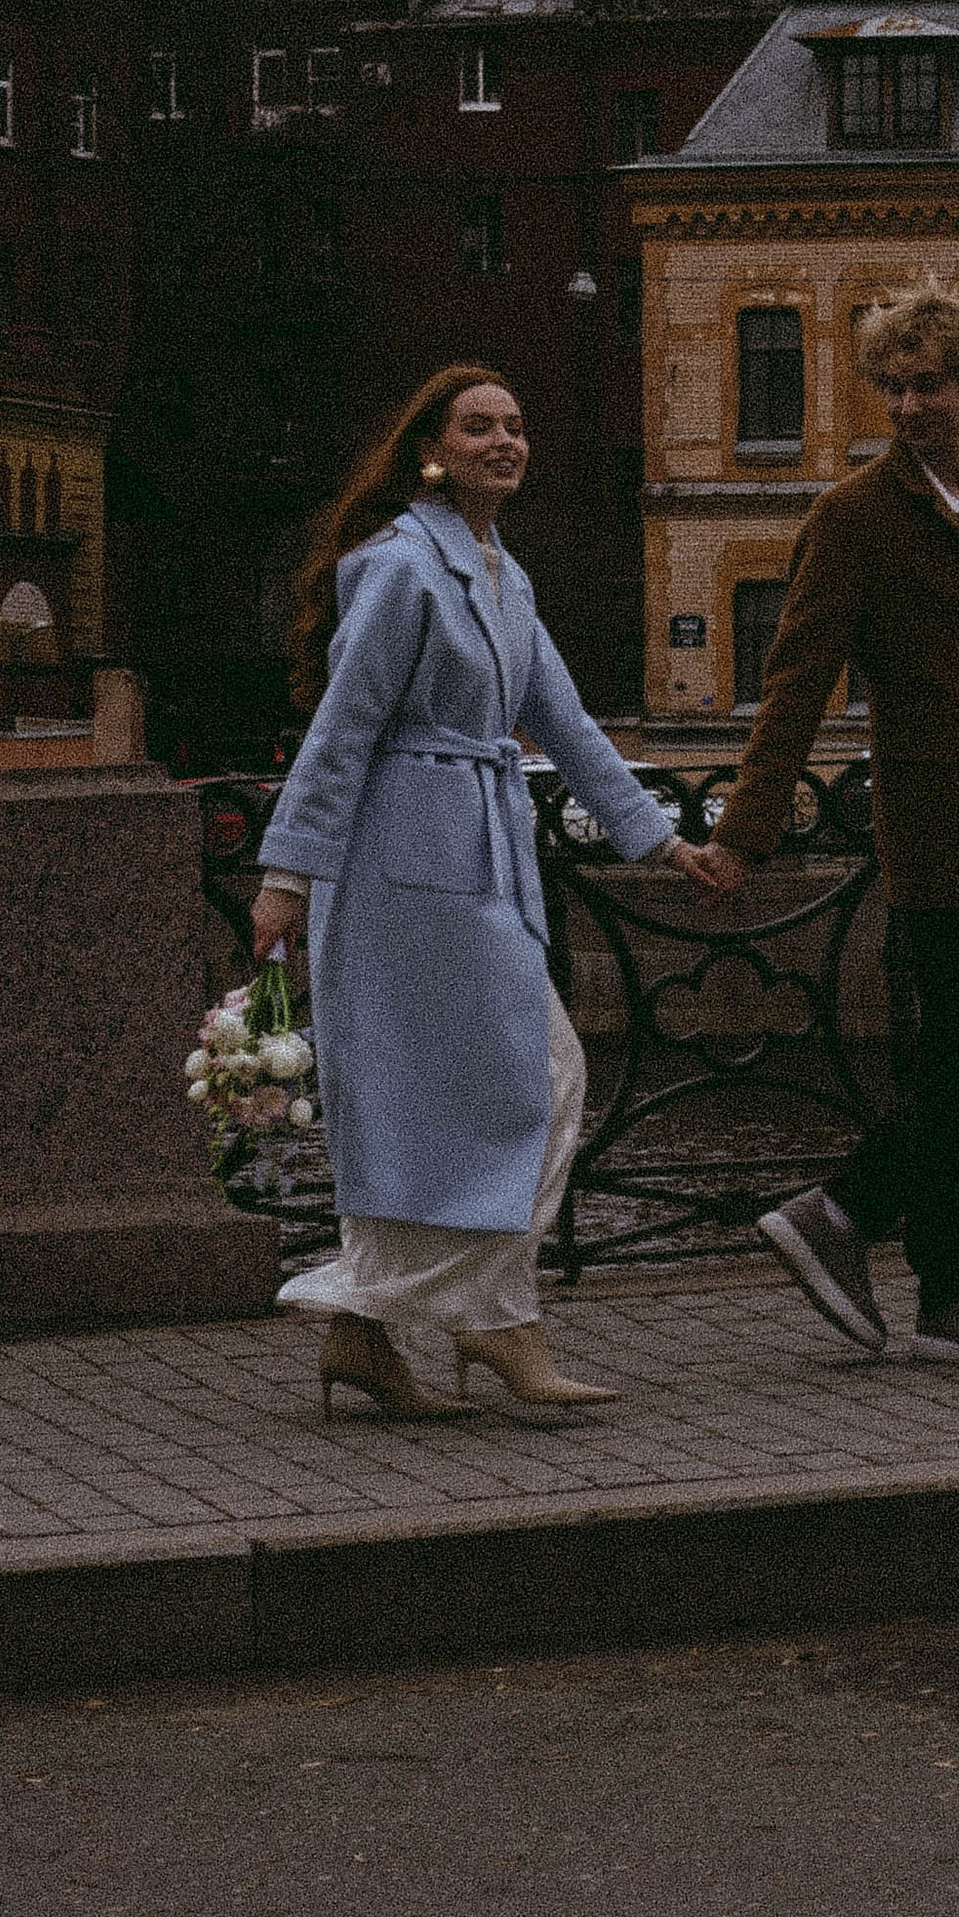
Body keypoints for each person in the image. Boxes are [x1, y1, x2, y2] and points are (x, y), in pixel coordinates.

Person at [250, 367, 722, 1419]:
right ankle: (492, 1323)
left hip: (475, 859)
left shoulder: (502, 572)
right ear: (433, 448)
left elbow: (566, 722)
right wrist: (287, 878)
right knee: (532, 1079)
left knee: (464, 1098)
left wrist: (662, 842)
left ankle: (369, 1334)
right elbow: (344, 727)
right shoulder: (399, 567)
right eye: (479, 428)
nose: (504, 442)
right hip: (400, 867)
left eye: (516, 426)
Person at [702, 281, 959, 1363]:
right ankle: (949, 1289)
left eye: (926, 385)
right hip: (936, 828)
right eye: (890, 388)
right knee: (958, 1057)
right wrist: (746, 833)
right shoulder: (854, 517)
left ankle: (841, 1213)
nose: (906, 406)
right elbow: (794, 682)